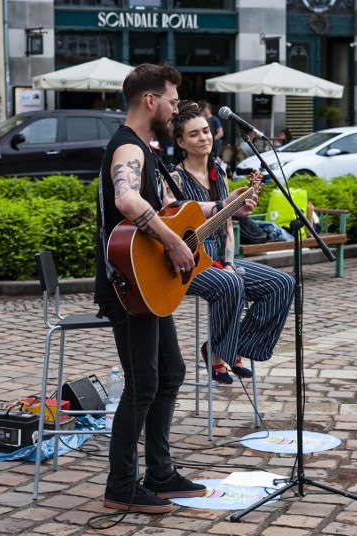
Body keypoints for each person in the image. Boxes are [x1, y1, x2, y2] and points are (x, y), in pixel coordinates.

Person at [94, 63, 256, 514]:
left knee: (171, 372)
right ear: (151, 101)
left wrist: (228, 204)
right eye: (169, 99)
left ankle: (160, 472)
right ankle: (121, 485)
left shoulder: (147, 149)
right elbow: (127, 200)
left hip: (150, 285)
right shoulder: (127, 148)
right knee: (143, 382)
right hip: (129, 283)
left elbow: (171, 208)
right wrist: (172, 244)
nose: (173, 108)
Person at [167, 101, 294, 385]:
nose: (204, 138)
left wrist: (228, 262)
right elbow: (170, 222)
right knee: (231, 283)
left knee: (282, 284)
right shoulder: (173, 177)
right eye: (194, 134)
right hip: (187, 261)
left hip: (218, 258)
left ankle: (234, 347)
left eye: (205, 131)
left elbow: (226, 224)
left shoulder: (220, 173)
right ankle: (215, 352)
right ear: (181, 142)